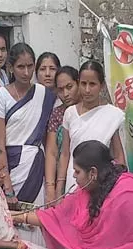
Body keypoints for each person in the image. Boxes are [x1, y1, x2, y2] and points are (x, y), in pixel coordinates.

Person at [0, 43, 56, 246]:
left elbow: (51, 139)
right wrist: (7, 183)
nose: (27, 72)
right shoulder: (0, 95)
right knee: (11, 217)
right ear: (11, 67)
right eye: (21, 67)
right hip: (11, 164)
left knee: (35, 219)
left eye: (30, 66)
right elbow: (0, 142)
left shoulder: (45, 95)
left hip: (37, 164)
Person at [57, 61, 125, 194]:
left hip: (101, 184)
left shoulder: (113, 115)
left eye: (92, 84)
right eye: (83, 84)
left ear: (102, 85)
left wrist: (118, 187)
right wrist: (59, 187)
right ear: (78, 83)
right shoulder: (70, 113)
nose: (87, 90)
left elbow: (118, 156)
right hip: (73, 180)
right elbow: (65, 154)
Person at [44, 66, 80, 204]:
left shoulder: (93, 111)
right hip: (63, 178)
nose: (65, 93)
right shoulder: (57, 114)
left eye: (69, 87)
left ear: (78, 83)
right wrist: (51, 188)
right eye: (60, 89)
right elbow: (52, 152)